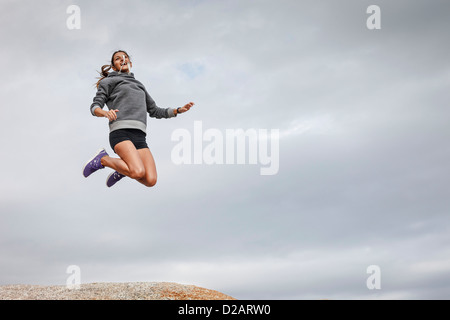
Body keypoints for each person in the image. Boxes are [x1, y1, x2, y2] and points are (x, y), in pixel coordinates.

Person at [83, 50, 194, 187]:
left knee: (150, 180)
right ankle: (103, 159)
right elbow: (94, 107)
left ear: (130, 63)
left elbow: (154, 110)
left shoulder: (139, 85)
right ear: (113, 66)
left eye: (125, 57)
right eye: (118, 58)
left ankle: (123, 169)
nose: (122, 59)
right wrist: (105, 113)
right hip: (121, 132)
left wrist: (177, 110)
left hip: (140, 137)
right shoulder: (109, 81)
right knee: (137, 172)